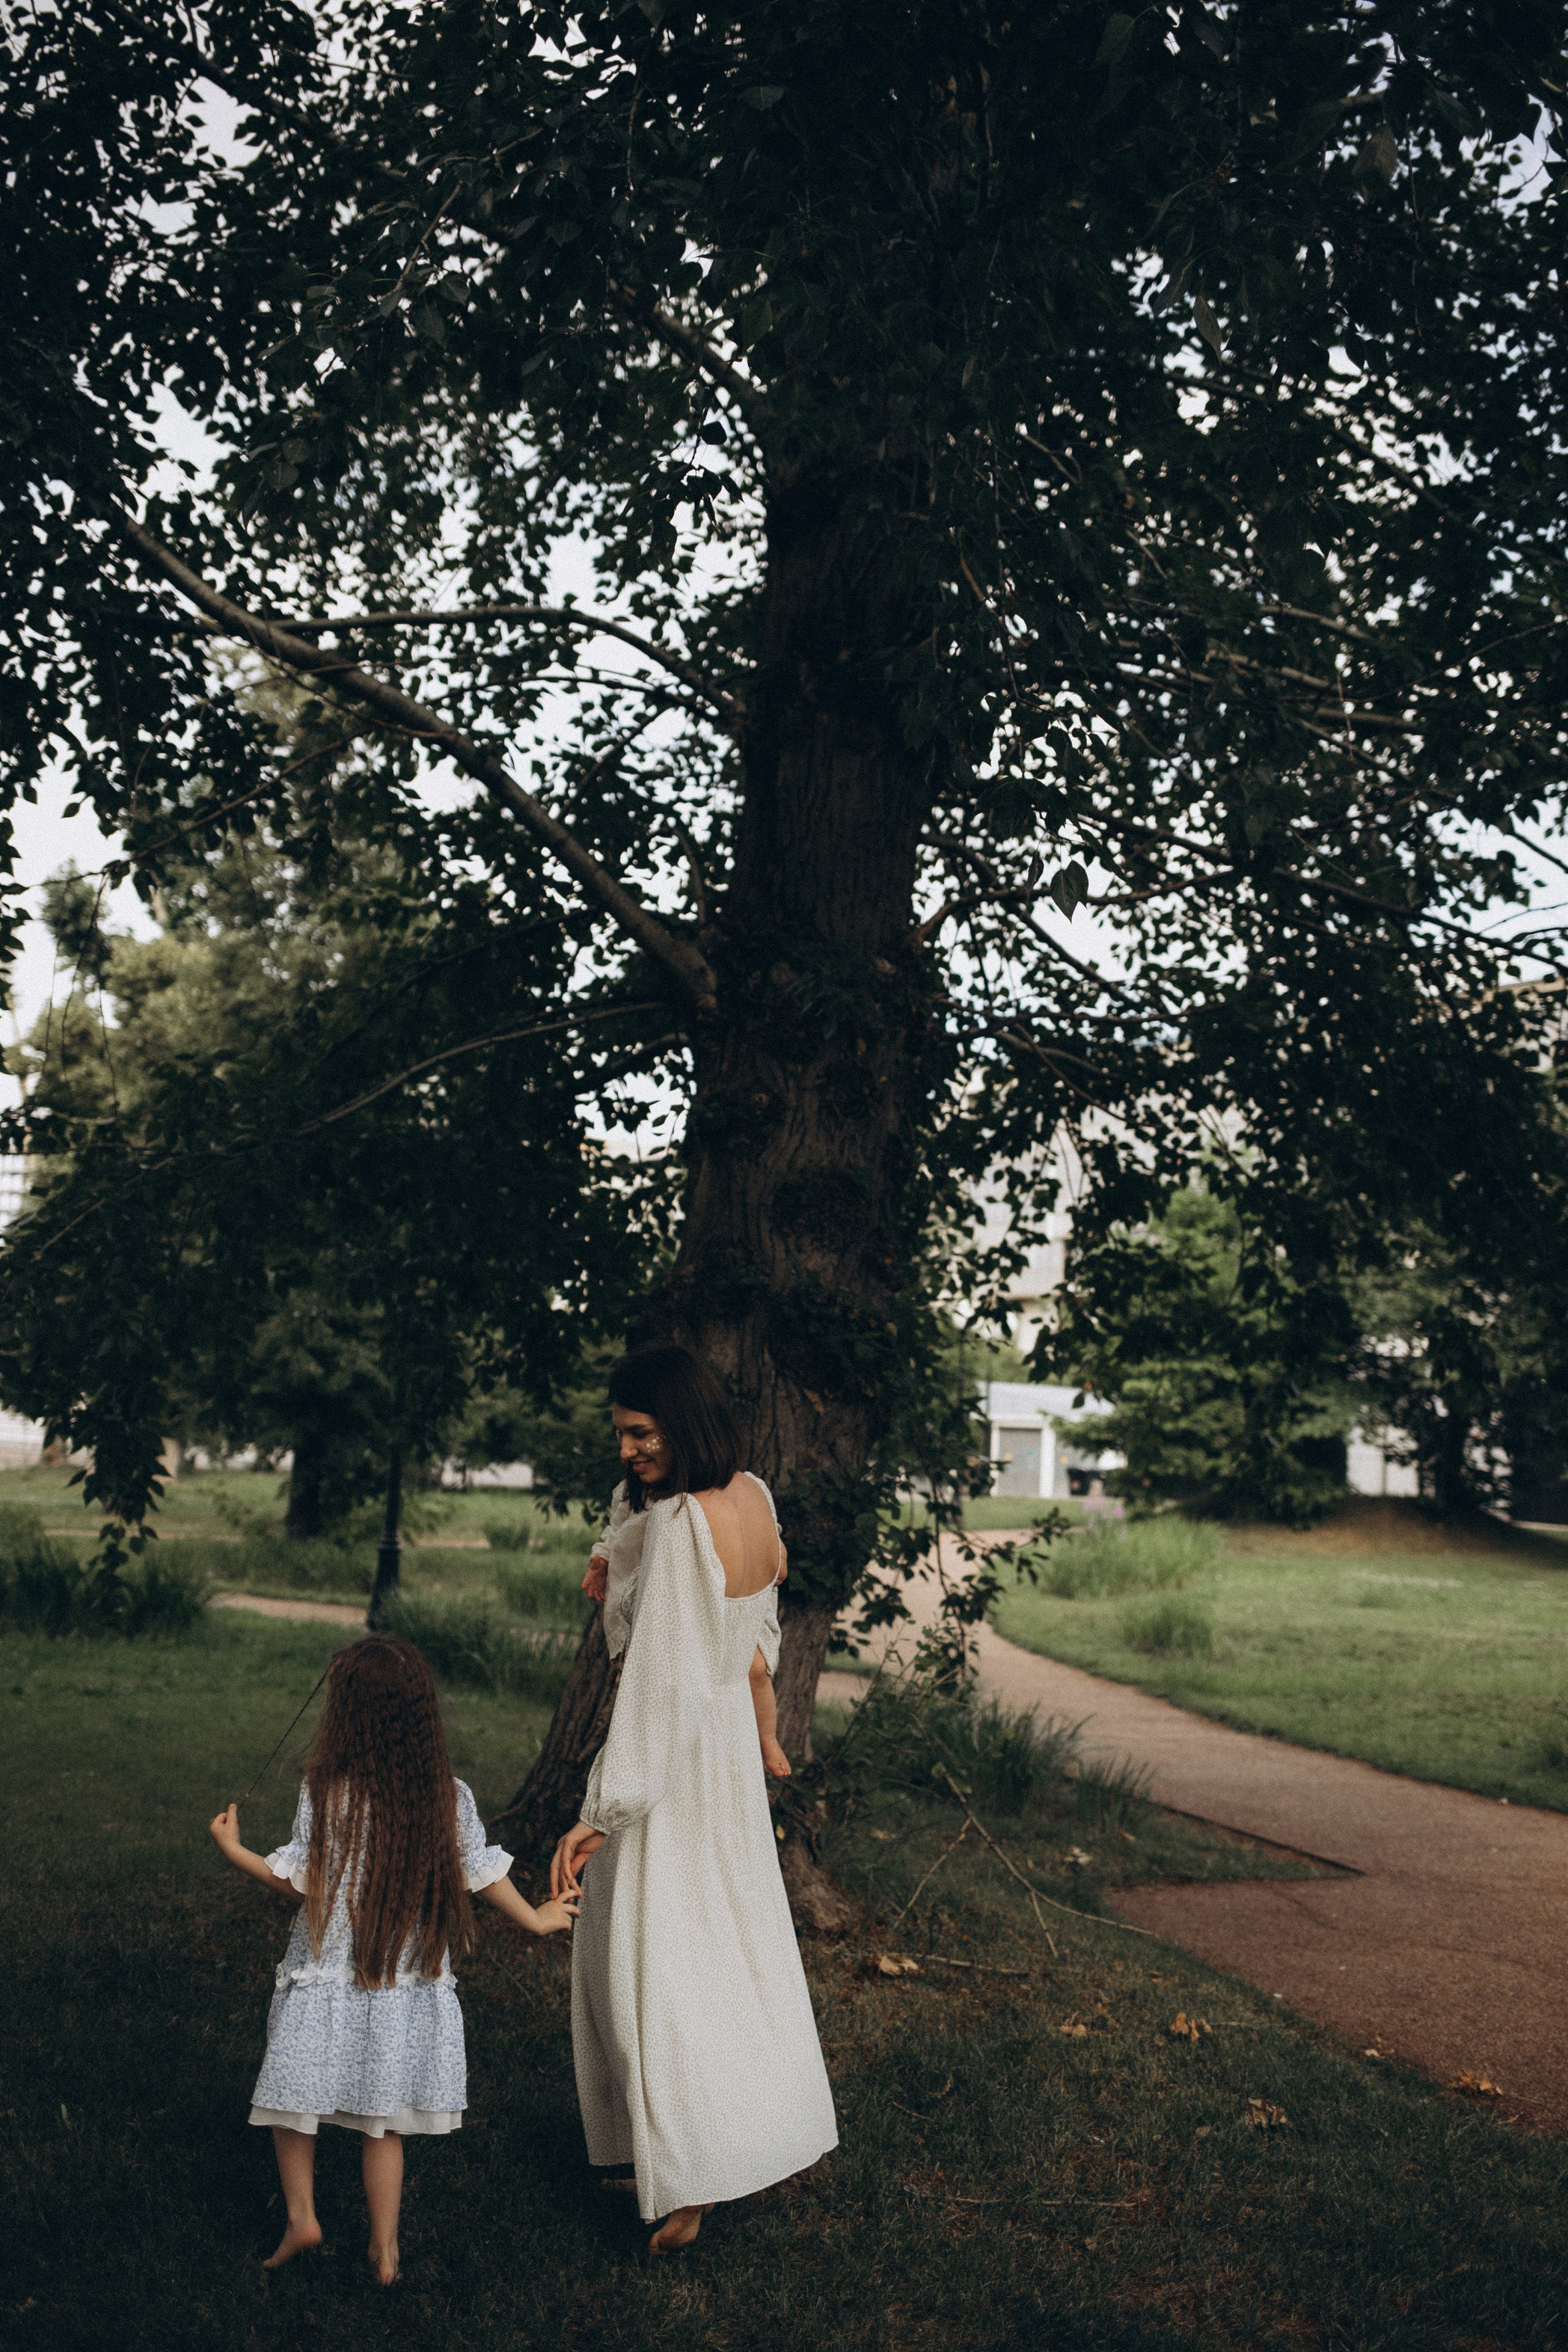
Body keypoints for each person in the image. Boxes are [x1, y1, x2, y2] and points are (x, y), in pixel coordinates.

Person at [554, 1346, 839, 2252]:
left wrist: (606, 1809)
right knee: (724, 1938)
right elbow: (751, 1636)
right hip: (720, 1750)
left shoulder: (683, 1525)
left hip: (675, 1757)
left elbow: (662, 1682)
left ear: (685, 1421)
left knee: (649, 1951)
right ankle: (716, 2138)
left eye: (642, 1432)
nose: (629, 1449)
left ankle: (688, 2172)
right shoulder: (751, 1494)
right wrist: (759, 1734)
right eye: (622, 1435)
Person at [208, 1635, 576, 2284]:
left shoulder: (326, 1791)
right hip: (400, 1984)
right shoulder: (447, 1795)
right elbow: (479, 1873)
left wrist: (235, 1851)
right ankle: (385, 2250)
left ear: (345, 1714)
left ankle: (303, 2218)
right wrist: (536, 1918)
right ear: (421, 1714)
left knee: (291, 2101)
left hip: (326, 1977)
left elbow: (305, 1884)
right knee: (382, 2123)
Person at [584, 1471, 793, 1781]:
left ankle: (768, 1738)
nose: (627, 1451)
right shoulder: (638, 1492)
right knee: (648, 1675)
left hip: (729, 1598)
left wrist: (778, 1548)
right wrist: (599, 1562)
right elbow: (615, 1531)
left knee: (756, 1667)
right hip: (659, 1600)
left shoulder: (728, 1490)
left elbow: (758, 1526)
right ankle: (643, 1755)